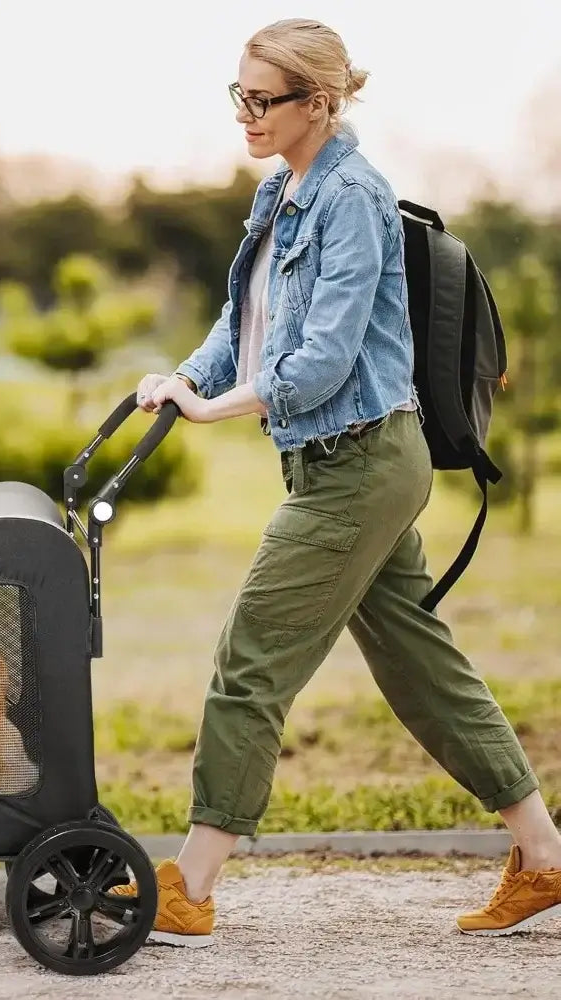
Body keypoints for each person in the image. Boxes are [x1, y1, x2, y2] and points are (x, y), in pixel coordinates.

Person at [112, 17, 561, 948]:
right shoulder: (282, 192)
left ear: (318, 102)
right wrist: (186, 378)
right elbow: (244, 322)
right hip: (337, 462)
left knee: (250, 663)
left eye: (262, 98)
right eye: (237, 94)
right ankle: (547, 856)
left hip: (361, 463)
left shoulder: (353, 196)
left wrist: (216, 409)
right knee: (420, 666)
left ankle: (191, 885)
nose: (245, 114)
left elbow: (320, 361)